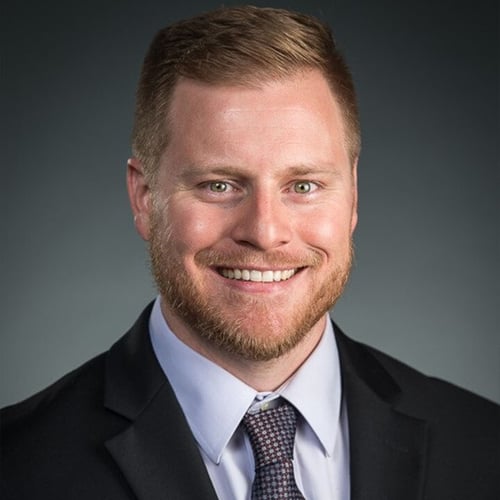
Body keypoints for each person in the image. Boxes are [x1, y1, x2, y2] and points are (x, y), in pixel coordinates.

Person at [1, 6, 498, 500]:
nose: (264, 232)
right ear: (144, 198)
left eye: (303, 184)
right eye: (219, 184)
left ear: (353, 195)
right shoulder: (18, 465)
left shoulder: (483, 446)